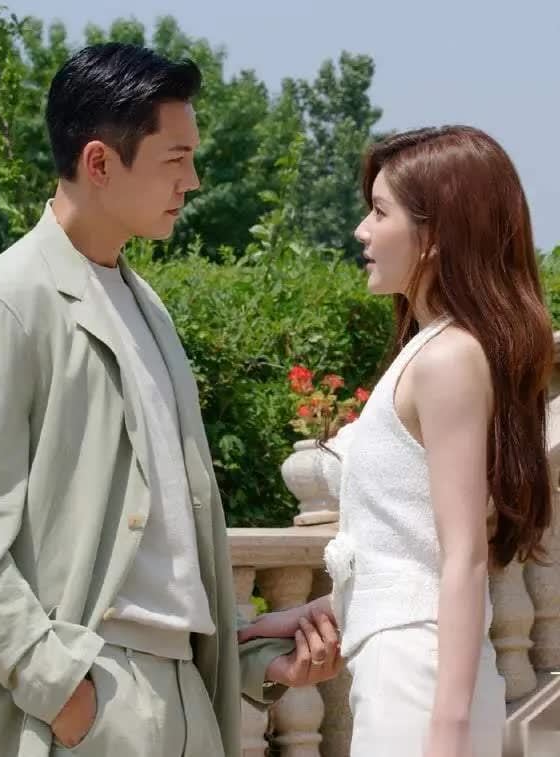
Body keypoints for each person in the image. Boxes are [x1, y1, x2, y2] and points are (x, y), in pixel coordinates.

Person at [0, 43, 343, 757]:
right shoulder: (3, 305)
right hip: (88, 698)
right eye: (176, 158)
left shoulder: (149, 309)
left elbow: (162, 559)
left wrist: (255, 658)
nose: (192, 181)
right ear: (99, 162)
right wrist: (61, 689)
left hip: (187, 696)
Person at [238, 125, 555, 756]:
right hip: (407, 670)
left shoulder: (447, 358)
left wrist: (448, 730)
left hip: (419, 681)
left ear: (435, 236)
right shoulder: (432, 350)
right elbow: (405, 547)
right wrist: (312, 614)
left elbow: (462, 556)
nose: (361, 230)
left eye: (380, 212)